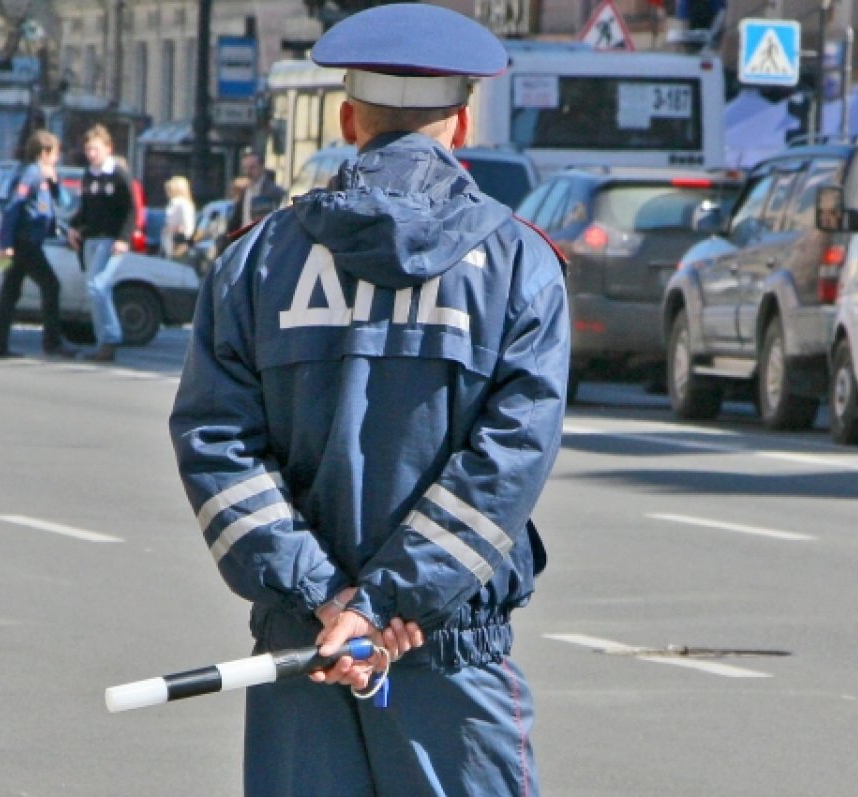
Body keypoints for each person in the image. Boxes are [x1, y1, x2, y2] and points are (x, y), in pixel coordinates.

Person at [169, 5, 569, 796]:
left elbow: (216, 440)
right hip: (443, 642)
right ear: (461, 123)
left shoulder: (256, 261)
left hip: (305, 648)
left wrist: (323, 599)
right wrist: (385, 603)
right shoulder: (520, 264)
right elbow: (507, 463)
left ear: (350, 120)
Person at [0, 130, 77, 359]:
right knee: (51, 285)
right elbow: (13, 207)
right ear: (45, 153)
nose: (57, 159)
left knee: (10, 292)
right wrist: (5, 243)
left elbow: (63, 203)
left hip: (29, 241)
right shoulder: (31, 174)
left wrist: (55, 182)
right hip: (23, 243)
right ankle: (52, 342)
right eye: (55, 154)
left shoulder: (43, 176)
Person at [67, 125, 135, 363]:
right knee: (95, 290)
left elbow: (131, 209)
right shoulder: (88, 175)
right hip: (91, 239)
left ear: (108, 148)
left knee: (98, 285)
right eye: (88, 149)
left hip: (111, 240)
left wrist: (124, 239)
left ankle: (111, 337)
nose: (91, 154)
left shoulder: (118, 174)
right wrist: (74, 228)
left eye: (95, 149)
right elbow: (85, 209)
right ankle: (102, 343)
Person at [226, 151, 285, 233]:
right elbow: (235, 221)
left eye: (252, 168)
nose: (248, 172)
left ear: (262, 167)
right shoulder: (243, 190)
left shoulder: (273, 192)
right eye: (245, 168)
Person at [161, 175, 196, 261]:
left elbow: (188, 227)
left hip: (178, 246)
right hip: (170, 246)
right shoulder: (177, 203)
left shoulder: (181, 204)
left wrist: (172, 229)